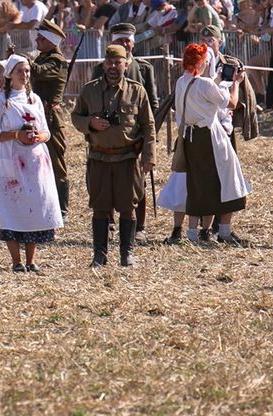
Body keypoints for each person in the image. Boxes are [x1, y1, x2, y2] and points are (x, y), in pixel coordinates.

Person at [71, 45, 156, 267]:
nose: (112, 67)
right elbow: (75, 116)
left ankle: (127, 254)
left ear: (126, 64)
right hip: (99, 158)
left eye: (117, 62)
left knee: (128, 206)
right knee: (100, 207)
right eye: (108, 62)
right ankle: (100, 255)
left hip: (127, 159)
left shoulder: (137, 91)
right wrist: (90, 123)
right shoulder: (89, 90)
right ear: (103, 64)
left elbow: (148, 125)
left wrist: (149, 155)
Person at [163, 43, 251, 245]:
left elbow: (202, 89)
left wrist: (219, 79)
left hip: (190, 137)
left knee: (196, 184)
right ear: (202, 62)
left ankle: (193, 233)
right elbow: (231, 103)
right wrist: (236, 83)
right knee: (228, 178)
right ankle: (224, 230)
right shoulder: (205, 84)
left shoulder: (182, 82)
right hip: (210, 136)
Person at [0, 54, 63, 273]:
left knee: (34, 205)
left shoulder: (35, 99)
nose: (25, 75)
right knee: (14, 206)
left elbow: (47, 132)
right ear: (10, 75)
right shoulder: (2, 100)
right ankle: (16, 261)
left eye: (27, 70)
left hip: (35, 161)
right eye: (20, 71)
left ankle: (31, 260)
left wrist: (38, 137)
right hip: (11, 159)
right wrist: (15, 135)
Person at [30, 19, 70, 218]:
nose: (37, 39)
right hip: (39, 115)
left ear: (49, 41)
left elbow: (38, 73)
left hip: (51, 118)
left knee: (56, 162)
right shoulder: (42, 57)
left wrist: (21, 61)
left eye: (40, 37)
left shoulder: (56, 61)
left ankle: (62, 209)